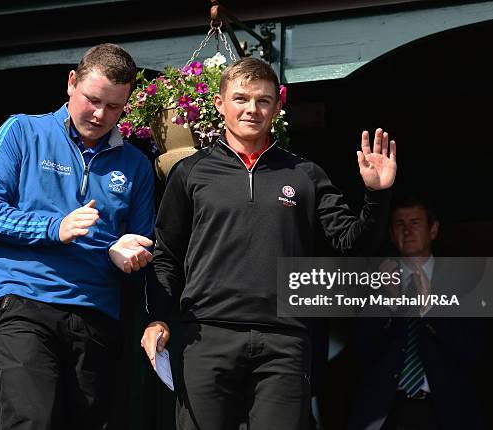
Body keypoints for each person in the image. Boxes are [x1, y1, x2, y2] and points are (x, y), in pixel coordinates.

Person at [141, 57, 397, 430]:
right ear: (219, 104)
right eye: (241, 98)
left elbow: (351, 244)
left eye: (263, 100)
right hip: (206, 337)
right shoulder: (190, 172)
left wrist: (377, 195)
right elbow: (166, 255)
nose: (252, 109)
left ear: (277, 107)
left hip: (285, 343)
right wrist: (158, 317)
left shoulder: (305, 174)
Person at [0, 43, 155, 430]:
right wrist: (53, 227)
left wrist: (127, 254)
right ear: (72, 83)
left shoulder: (135, 164)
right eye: (93, 100)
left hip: (96, 314)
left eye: (115, 107)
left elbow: (142, 243)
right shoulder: (22, 130)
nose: (101, 114)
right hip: (23, 301)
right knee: (31, 421)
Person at [348, 196, 486, 430]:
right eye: (399, 224)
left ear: (433, 230)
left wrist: (428, 309)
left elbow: (474, 350)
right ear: (392, 234)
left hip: (445, 411)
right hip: (385, 413)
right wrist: (390, 306)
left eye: (415, 222)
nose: (407, 230)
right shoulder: (375, 283)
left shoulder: (462, 281)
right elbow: (361, 351)